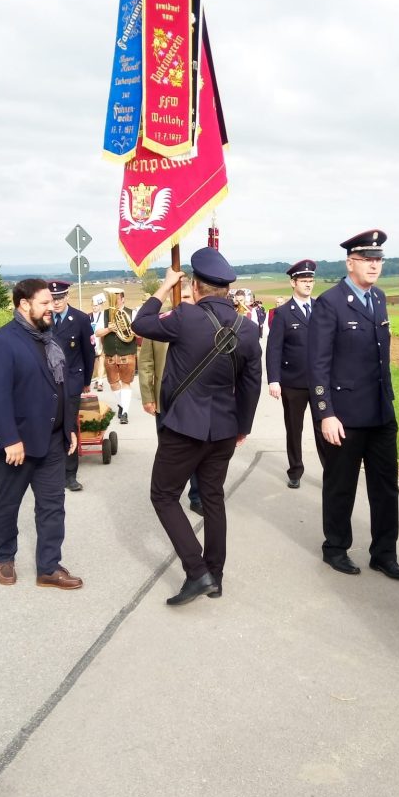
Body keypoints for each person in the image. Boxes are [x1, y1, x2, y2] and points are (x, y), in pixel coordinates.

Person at [133, 249, 262, 606]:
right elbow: (251, 385)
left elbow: (141, 324)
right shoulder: (248, 329)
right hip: (224, 429)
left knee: (163, 495)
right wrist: (242, 426)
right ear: (226, 289)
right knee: (213, 498)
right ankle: (215, 577)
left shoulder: (185, 317)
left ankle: (197, 571)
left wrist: (164, 287)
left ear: (195, 285)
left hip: (183, 428)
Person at [308, 229, 399, 581]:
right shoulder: (330, 303)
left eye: (378, 259)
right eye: (367, 259)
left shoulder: (378, 298)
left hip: (380, 412)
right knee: (341, 485)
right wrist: (326, 413)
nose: (374, 265)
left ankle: (384, 553)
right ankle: (335, 548)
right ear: (350, 263)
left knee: (386, 488)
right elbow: (318, 363)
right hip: (345, 416)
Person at [0, 279, 82, 590]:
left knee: (52, 506)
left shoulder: (50, 339)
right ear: (24, 304)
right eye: (44, 303)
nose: (52, 308)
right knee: (7, 503)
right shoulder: (0, 343)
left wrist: (68, 428)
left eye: (52, 302)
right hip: (16, 444)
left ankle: (48, 567)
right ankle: (4, 557)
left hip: (52, 440)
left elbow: (61, 388)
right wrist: (10, 439)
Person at [138, 277, 203, 516]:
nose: (182, 302)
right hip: (165, 401)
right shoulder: (159, 323)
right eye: (179, 298)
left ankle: (197, 496)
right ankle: (168, 495)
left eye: (186, 297)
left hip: (194, 401)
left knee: (197, 452)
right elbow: (146, 362)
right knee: (169, 451)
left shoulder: (203, 324)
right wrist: (148, 396)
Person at [266, 258, 322, 490]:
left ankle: (331, 471)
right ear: (293, 283)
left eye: (311, 280)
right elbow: (274, 349)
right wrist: (274, 380)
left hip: (320, 382)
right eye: (303, 280)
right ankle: (295, 470)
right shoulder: (283, 313)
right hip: (293, 383)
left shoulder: (321, 309)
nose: (308, 284)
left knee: (324, 428)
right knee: (294, 429)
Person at [49, 280, 97, 493]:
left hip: (72, 380)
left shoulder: (80, 319)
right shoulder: (44, 318)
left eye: (60, 298)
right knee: (50, 425)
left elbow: (88, 353)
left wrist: (86, 381)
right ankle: (52, 471)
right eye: (53, 298)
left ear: (67, 296)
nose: (56, 302)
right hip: (49, 381)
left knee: (68, 425)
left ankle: (70, 475)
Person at [95, 289, 136, 424]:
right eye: (112, 298)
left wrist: (129, 328)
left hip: (127, 352)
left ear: (123, 299)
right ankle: (122, 404)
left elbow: (139, 332)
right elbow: (97, 333)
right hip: (110, 354)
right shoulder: (104, 314)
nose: (114, 301)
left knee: (126, 382)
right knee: (113, 383)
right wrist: (109, 329)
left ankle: (125, 413)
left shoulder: (132, 313)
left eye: (117, 298)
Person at [89, 293, 107, 390]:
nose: (94, 307)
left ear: (100, 305)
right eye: (93, 305)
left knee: (101, 359)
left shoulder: (104, 315)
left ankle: (100, 381)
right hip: (92, 341)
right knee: (95, 360)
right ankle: (97, 379)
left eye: (96, 305)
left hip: (101, 340)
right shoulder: (89, 316)